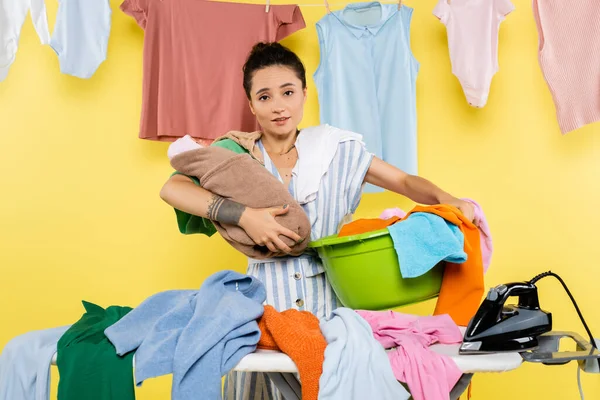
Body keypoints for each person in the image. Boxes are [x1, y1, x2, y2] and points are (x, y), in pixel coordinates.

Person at [159, 42, 475, 399]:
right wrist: (245, 216)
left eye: (288, 92)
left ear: (305, 94)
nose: (278, 106)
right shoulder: (235, 156)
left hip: (330, 325)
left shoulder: (336, 150)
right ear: (250, 104)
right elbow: (174, 188)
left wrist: (446, 198)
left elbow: (403, 181)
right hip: (261, 324)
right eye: (264, 97)